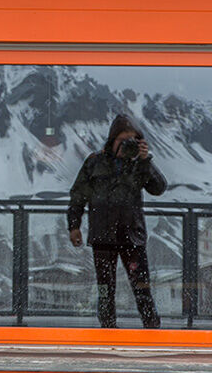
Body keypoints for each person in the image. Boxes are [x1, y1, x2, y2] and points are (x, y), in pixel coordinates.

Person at [67, 114, 167, 328]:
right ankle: (108, 330)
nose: (127, 144)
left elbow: (159, 188)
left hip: (132, 235)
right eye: (124, 139)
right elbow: (78, 195)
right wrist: (74, 225)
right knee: (105, 289)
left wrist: (144, 160)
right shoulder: (94, 162)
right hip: (103, 236)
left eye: (133, 140)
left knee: (142, 287)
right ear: (113, 139)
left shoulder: (140, 164)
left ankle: (152, 330)